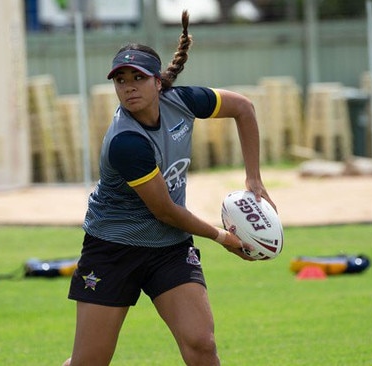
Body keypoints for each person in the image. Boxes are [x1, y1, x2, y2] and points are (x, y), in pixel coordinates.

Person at [63, 10, 276, 366]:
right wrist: (222, 237)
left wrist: (253, 178)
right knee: (89, 362)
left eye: (138, 78)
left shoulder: (183, 102)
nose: (128, 87)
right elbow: (164, 210)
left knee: (201, 344)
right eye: (120, 80)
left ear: (158, 82)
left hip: (168, 249)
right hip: (113, 249)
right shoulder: (126, 142)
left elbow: (244, 108)